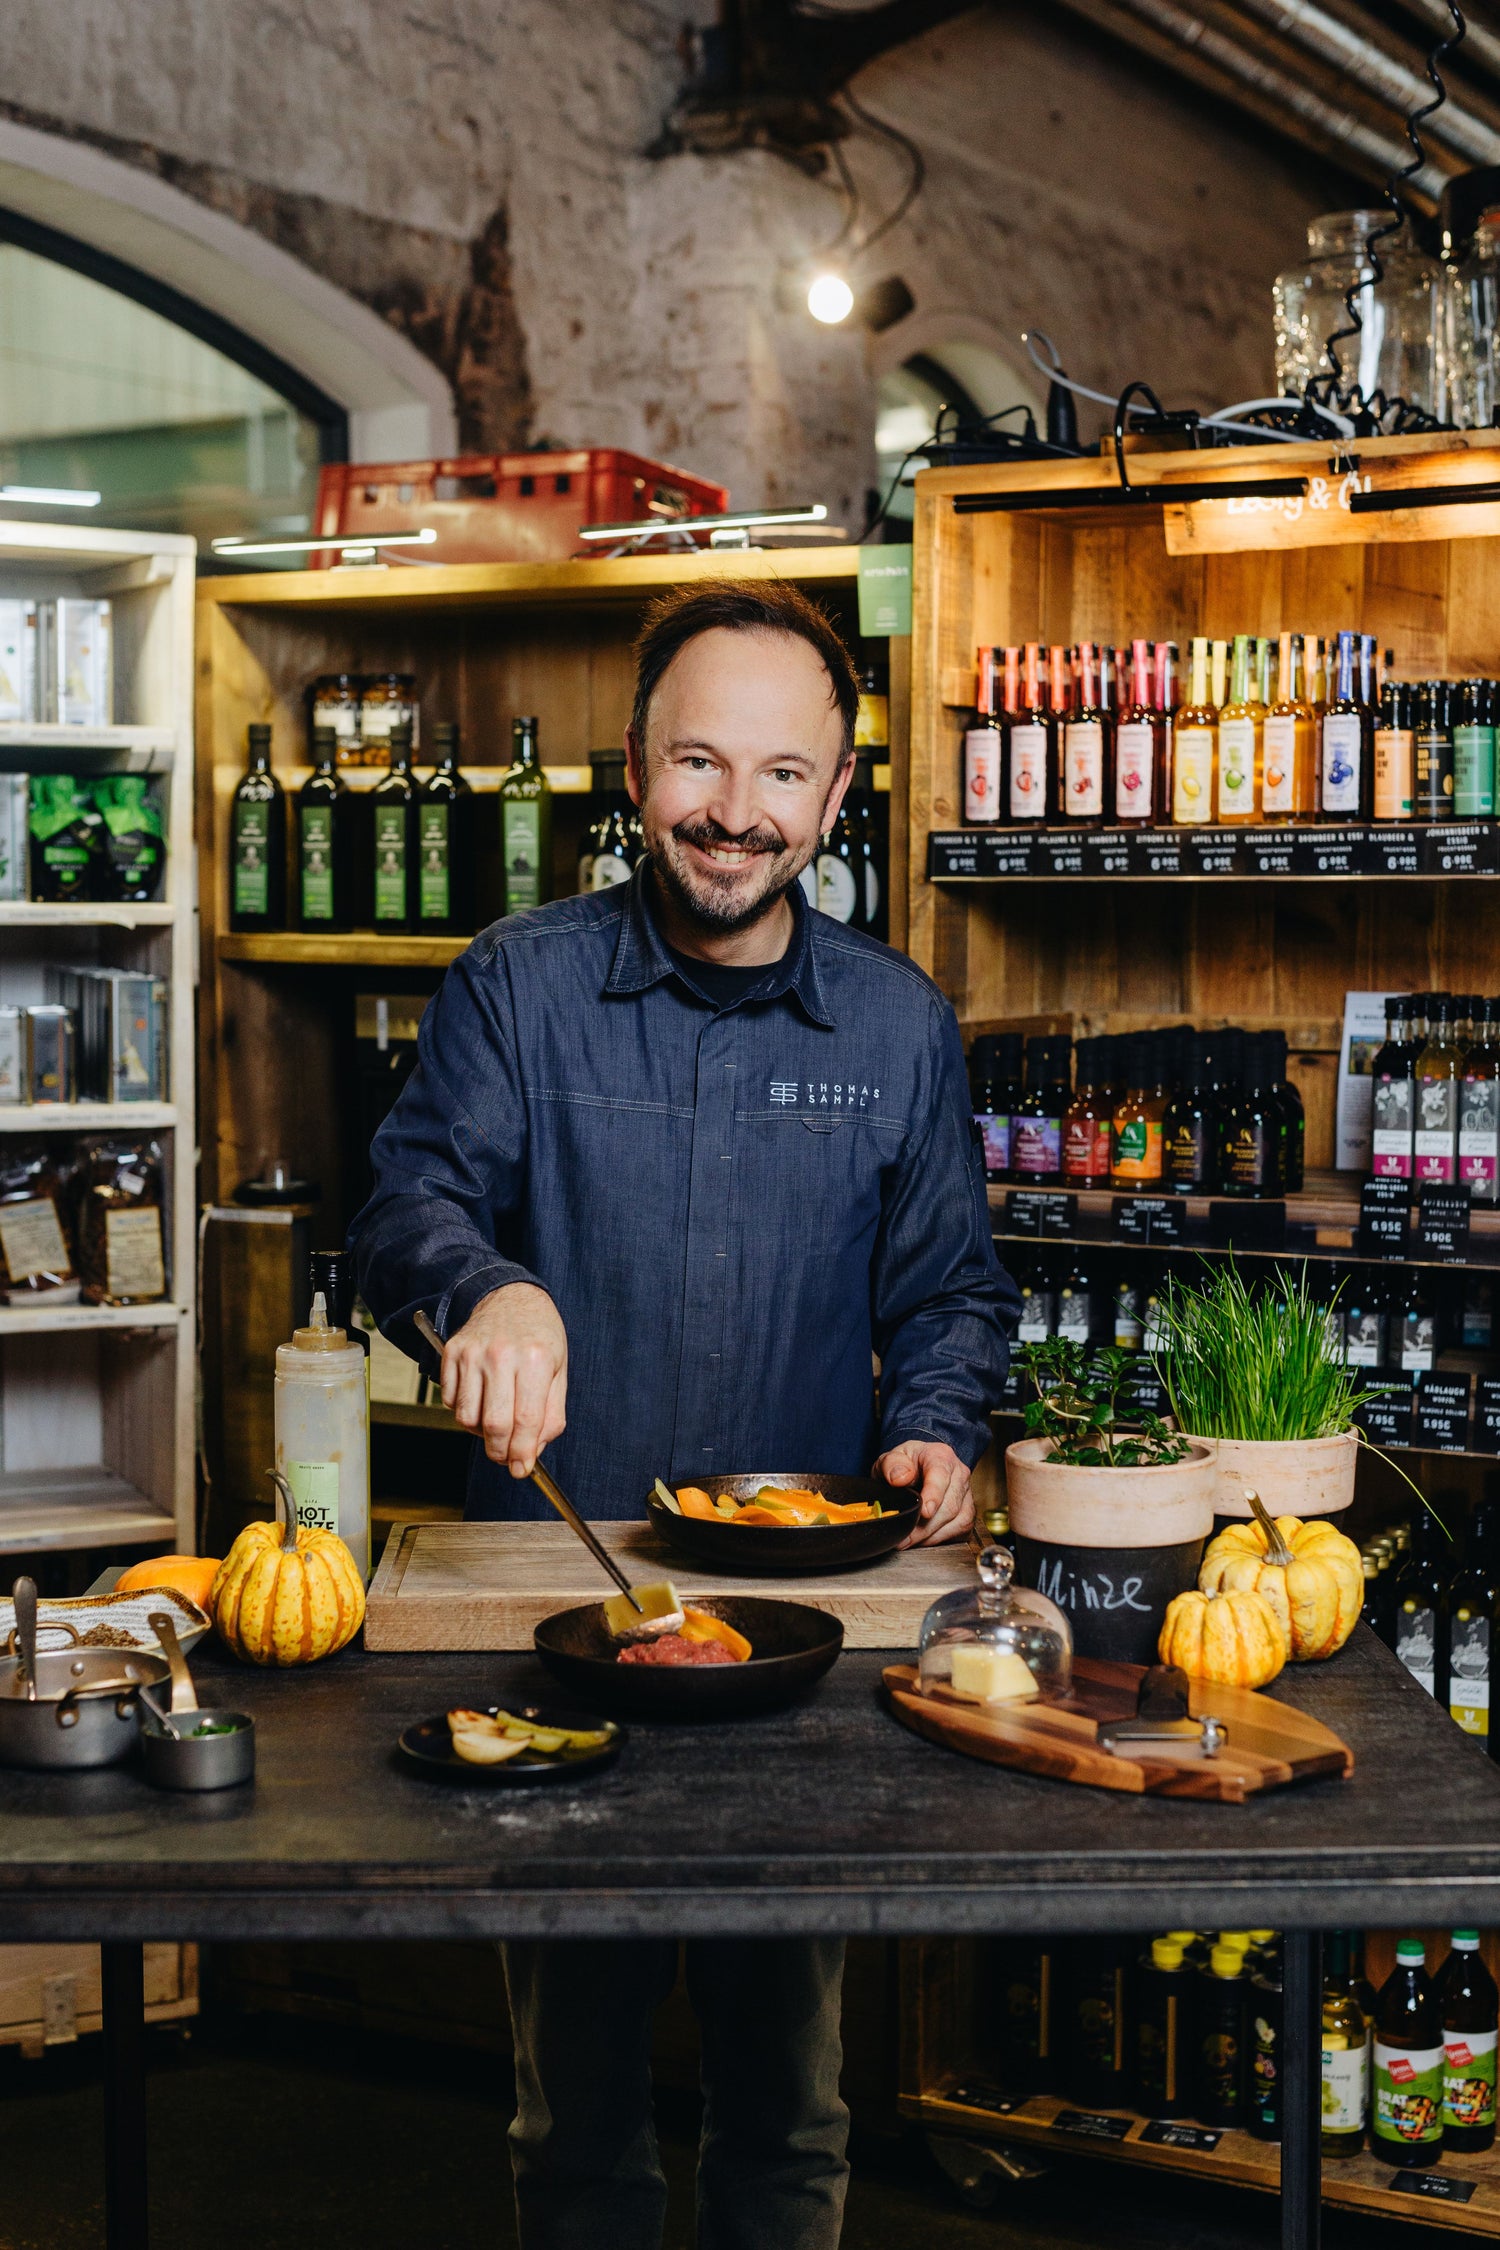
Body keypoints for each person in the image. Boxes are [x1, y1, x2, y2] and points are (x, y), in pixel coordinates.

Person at [351, 579, 1018, 2250]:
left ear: (839, 793)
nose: (736, 814)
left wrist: (937, 1415)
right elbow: (404, 1205)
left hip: (796, 1645)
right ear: (634, 767)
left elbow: (951, 1293)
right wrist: (477, 1287)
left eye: (782, 775)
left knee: (790, 2102)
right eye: (699, 764)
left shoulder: (897, 1023)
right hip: (563, 1619)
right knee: (575, 2110)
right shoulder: (519, 985)